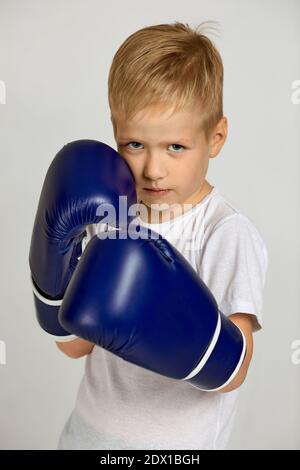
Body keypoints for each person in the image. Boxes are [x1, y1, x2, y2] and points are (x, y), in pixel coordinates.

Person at [30, 22, 268, 450]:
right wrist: (52, 274)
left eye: (175, 147)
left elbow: (235, 371)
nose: (152, 169)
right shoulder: (111, 215)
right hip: (86, 436)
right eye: (135, 144)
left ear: (215, 137)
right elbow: (75, 347)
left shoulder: (225, 233)